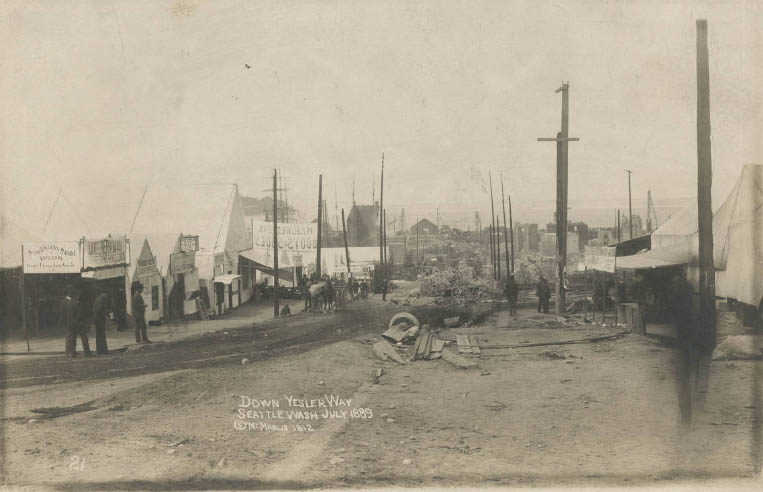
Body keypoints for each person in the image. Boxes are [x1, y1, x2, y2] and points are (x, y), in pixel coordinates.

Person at [60, 287, 85, 357]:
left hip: (68, 322)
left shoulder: (65, 301)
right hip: (71, 322)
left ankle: (69, 352)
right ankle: (71, 352)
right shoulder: (71, 302)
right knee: (71, 338)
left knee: (69, 338)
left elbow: (62, 314)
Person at [93, 290, 110, 354]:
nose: (107, 297)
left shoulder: (100, 299)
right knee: (100, 335)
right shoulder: (100, 300)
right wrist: (105, 315)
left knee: (100, 335)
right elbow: (99, 310)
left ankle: (101, 349)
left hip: (99, 320)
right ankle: (102, 350)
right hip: (99, 320)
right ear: (103, 293)